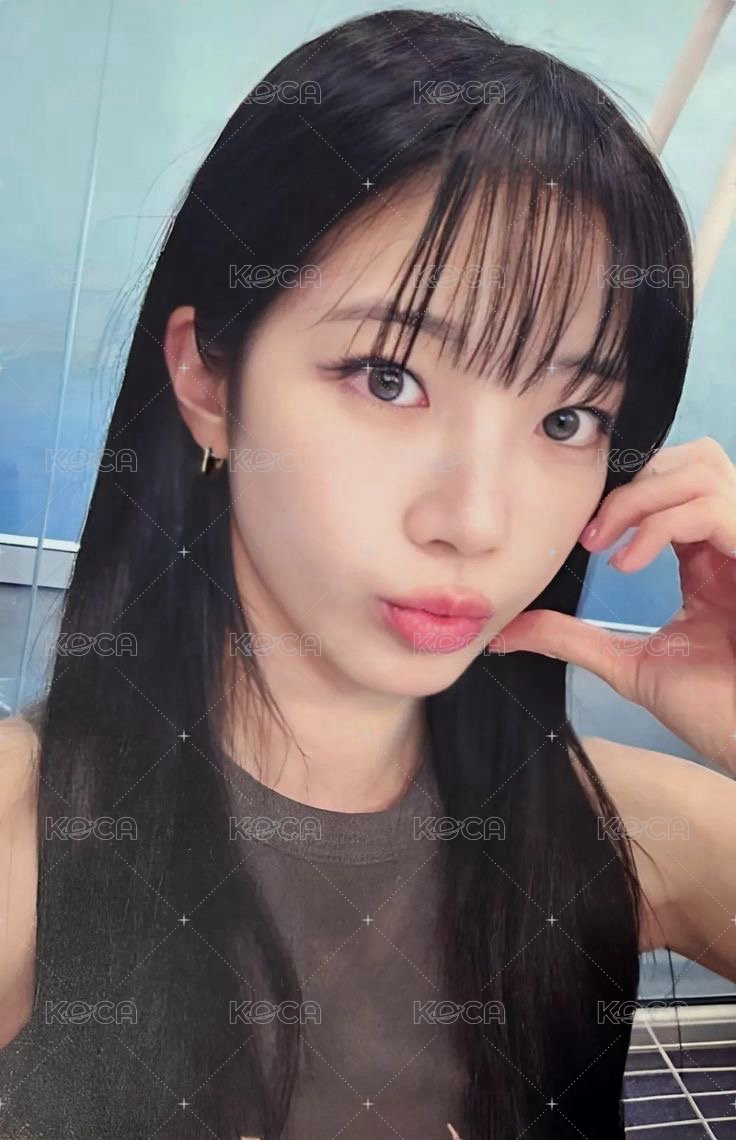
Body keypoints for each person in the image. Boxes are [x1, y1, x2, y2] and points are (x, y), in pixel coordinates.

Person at [1, 8, 735, 1139]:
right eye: (388, 378)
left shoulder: (611, 834)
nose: (476, 521)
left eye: (568, 418)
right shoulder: (34, 840)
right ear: (208, 380)